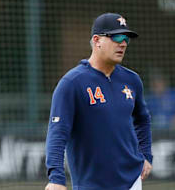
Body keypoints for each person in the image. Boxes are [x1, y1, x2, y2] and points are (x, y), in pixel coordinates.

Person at [45, 12, 153, 190]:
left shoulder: (132, 80)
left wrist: (146, 155)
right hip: (91, 184)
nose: (123, 43)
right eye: (116, 36)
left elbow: (142, 119)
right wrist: (56, 177)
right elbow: (58, 132)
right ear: (97, 40)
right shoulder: (72, 83)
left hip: (131, 181)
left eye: (126, 38)